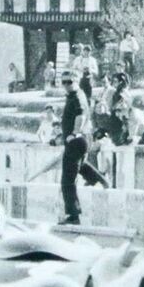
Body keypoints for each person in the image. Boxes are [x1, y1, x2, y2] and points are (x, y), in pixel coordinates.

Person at [58, 70, 92, 225]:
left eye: (69, 82)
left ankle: (73, 215)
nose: (66, 85)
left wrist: (74, 133)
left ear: (76, 81)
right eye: (63, 82)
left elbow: (81, 115)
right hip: (79, 140)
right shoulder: (75, 95)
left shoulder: (77, 96)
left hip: (76, 140)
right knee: (80, 167)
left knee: (67, 180)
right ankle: (99, 180)